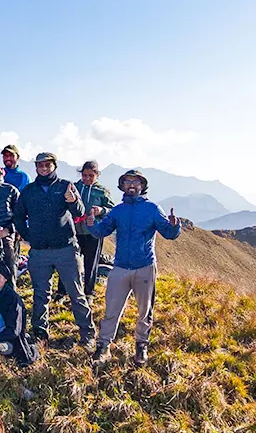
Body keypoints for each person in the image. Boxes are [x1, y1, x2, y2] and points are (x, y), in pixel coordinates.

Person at [89, 169, 182, 366]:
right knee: (111, 309)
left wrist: (174, 226)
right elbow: (101, 231)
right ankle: (103, 346)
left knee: (144, 310)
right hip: (120, 266)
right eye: (127, 181)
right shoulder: (118, 210)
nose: (131, 185)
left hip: (145, 266)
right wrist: (91, 224)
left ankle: (141, 346)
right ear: (122, 186)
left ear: (142, 186)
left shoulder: (152, 209)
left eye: (136, 182)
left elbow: (169, 234)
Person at [13, 152, 96, 346]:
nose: (44, 168)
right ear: (36, 168)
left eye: (47, 165)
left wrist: (72, 201)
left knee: (76, 292)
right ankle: (40, 332)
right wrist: (27, 235)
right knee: (40, 293)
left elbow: (80, 213)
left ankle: (88, 333)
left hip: (65, 248)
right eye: (40, 165)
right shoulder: (29, 191)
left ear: (54, 166)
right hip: (39, 250)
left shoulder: (65, 186)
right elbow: (18, 216)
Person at [73, 160, 115, 298]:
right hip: (74, 231)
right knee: (70, 262)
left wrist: (101, 210)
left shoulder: (102, 192)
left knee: (91, 263)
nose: (87, 178)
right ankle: (64, 291)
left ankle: (88, 293)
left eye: (91, 175)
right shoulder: (74, 187)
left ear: (97, 175)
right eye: (84, 175)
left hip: (94, 232)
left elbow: (112, 210)